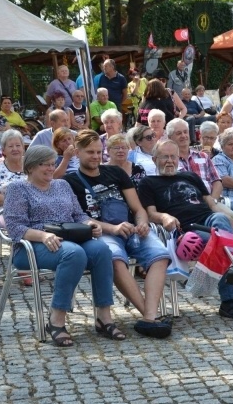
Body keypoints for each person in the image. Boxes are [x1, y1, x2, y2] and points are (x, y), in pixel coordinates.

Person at [3, 145, 120, 345]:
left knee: (101, 250)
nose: (50, 168)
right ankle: (56, 318)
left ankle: (104, 316)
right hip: (30, 246)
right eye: (44, 165)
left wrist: (90, 224)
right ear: (30, 167)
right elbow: (14, 227)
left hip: (69, 239)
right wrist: (42, 235)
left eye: (52, 164)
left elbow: (78, 215)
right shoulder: (17, 189)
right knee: (74, 254)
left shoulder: (62, 185)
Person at [63, 130, 171, 339]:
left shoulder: (116, 173)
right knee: (114, 259)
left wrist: (141, 223)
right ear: (77, 153)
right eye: (89, 152)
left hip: (131, 229)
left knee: (160, 255)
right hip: (101, 232)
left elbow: (138, 208)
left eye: (98, 151)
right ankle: (150, 317)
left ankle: (149, 317)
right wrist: (112, 228)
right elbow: (79, 218)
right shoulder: (70, 181)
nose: (95, 156)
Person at [138, 140, 233, 320]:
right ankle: (229, 300)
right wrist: (165, 217)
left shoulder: (190, 177)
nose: (169, 161)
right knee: (217, 242)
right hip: (186, 229)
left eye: (173, 157)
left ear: (178, 158)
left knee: (222, 219)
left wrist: (229, 215)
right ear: (154, 160)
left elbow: (211, 204)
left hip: (208, 218)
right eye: (164, 157)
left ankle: (222, 275)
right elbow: (151, 213)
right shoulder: (148, 183)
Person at [0, 130, 26, 207]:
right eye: (10, 146)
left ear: (23, 148)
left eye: (18, 145)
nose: (15, 149)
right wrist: (14, 202)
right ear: (3, 150)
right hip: (6, 210)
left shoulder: (32, 165)